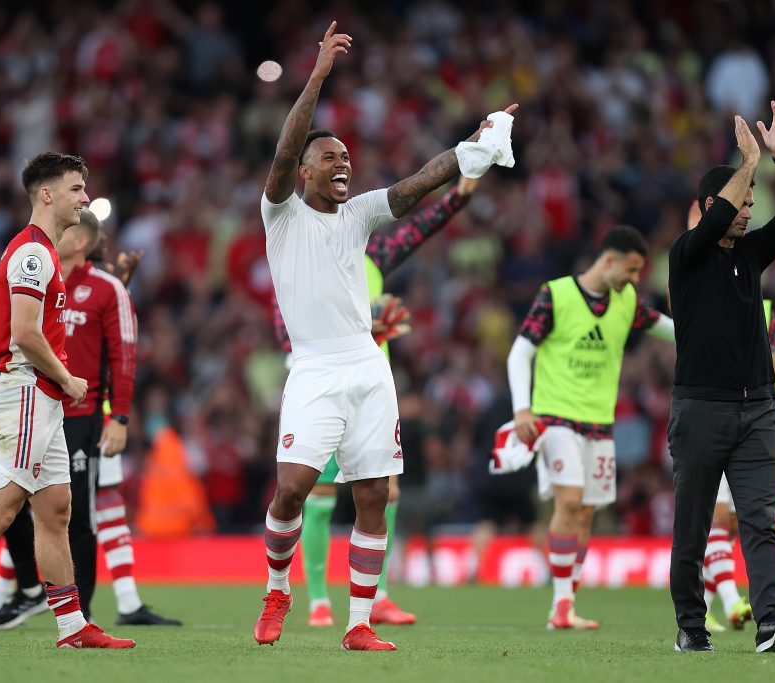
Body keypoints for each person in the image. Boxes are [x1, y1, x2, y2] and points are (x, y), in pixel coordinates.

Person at [255, 20, 515, 651]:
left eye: (347, 156)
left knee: (374, 495)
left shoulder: (360, 213)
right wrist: (318, 76)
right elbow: (284, 152)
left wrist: (475, 144)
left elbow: (421, 182)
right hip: (313, 369)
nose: (342, 162)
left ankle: (358, 624)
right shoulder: (281, 214)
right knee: (291, 489)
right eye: (330, 157)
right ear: (305, 171)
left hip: (368, 367)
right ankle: (278, 587)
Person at [0, 152, 134, 650]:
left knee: (56, 509)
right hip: (29, 391)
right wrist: (65, 377)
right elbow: (26, 333)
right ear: (47, 194)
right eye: (76, 188)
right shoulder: (34, 254)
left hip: (35, 394)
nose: (84, 198)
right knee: (0, 506)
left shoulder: (32, 249)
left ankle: (72, 625)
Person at [274, 176, 480, 627]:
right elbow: (285, 323)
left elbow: (418, 228)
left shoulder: (372, 254)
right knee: (317, 493)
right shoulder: (296, 250)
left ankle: (379, 596)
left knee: (385, 491)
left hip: (370, 386)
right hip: (321, 387)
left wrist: (460, 194)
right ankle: (318, 601)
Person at [668, 103, 775, 653]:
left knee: (760, 521)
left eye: (752, 203)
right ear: (713, 204)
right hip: (700, 409)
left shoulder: (751, 254)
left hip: (757, 410)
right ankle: (691, 625)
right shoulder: (686, 256)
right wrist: (746, 162)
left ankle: (770, 621)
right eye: (744, 202)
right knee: (693, 527)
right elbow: (711, 226)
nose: (750, 210)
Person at [0, 209, 179, 628]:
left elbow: (124, 356)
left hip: (81, 415)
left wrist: (120, 418)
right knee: (9, 503)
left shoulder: (107, 288)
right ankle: (27, 589)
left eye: (68, 229)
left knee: (76, 516)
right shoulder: (39, 276)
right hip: (32, 405)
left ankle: (83, 614)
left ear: (79, 241)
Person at [507, 226, 675, 630]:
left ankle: (566, 605)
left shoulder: (627, 302)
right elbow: (520, 353)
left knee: (585, 513)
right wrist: (522, 409)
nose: (635, 279)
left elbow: (670, 329)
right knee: (569, 501)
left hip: (600, 424)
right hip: (554, 418)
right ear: (609, 260)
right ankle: (560, 604)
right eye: (631, 270)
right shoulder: (555, 295)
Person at [684, 204, 775, 634]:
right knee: (715, 515)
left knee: (735, 520)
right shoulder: (698, 282)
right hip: (708, 412)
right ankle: (731, 601)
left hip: (753, 419)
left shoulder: (763, 308)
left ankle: (715, 602)